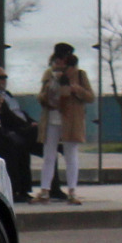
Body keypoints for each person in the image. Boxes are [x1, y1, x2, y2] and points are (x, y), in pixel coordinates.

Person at [39, 44, 94, 202]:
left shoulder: (79, 75)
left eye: (63, 59)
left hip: (70, 120)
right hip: (52, 116)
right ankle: (44, 190)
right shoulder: (49, 74)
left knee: (71, 155)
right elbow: (41, 97)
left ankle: (72, 190)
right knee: (49, 155)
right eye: (58, 59)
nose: (60, 62)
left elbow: (90, 97)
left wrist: (78, 90)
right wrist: (47, 92)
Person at [0, 66, 40, 200]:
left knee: (42, 144)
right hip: (9, 131)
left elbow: (20, 112)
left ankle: (27, 189)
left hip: (22, 127)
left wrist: (31, 121)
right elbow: (7, 116)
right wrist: (26, 125)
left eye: (5, 77)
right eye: (0, 77)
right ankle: (16, 189)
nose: (4, 80)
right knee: (18, 147)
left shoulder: (8, 94)